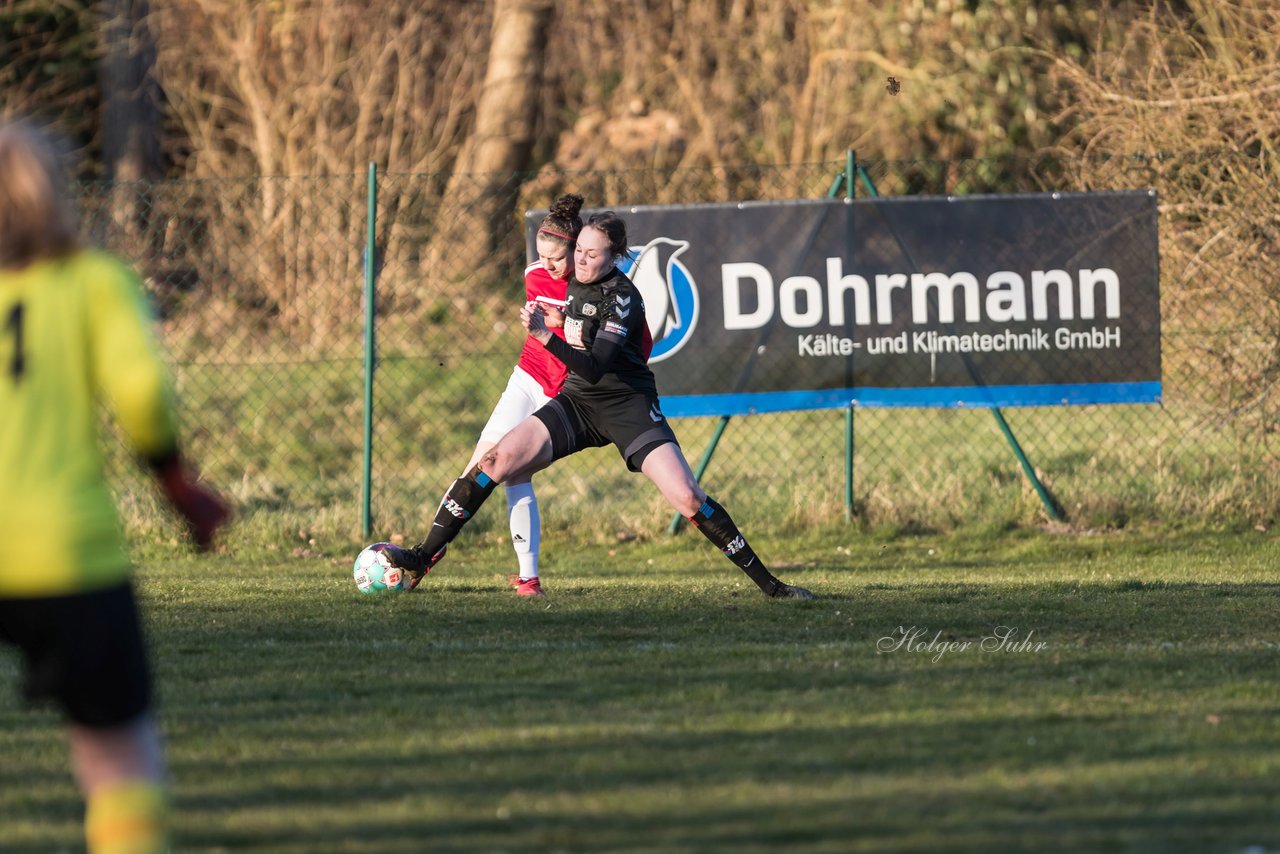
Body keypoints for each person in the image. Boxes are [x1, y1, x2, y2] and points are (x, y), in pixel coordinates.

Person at [0, 118, 230, 853]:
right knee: (119, 759)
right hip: (69, 554)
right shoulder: (92, 283)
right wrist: (179, 490)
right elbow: (141, 396)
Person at [385, 210, 812, 600]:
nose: (583, 261)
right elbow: (576, 326)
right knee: (495, 460)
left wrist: (544, 335)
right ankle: (423, 556)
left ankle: (773, 587)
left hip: (627, 406)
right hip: (578, 403)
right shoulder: (571, 279)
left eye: (594, 254)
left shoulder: (621, 298)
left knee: (687, 496)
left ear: (615, 256)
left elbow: (594, 365)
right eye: (581, 252)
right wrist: (556, 321)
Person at [459, 193, 584, 597]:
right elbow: (538, 326)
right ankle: (423, 556)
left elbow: (598, 345)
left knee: (517, 471)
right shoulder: (534, 273)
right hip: (526, 376)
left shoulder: (593, 284)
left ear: (578, 250)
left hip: (563, 392)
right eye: (542, 257)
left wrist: (564, 324)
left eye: (555, 260)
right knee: (478, 464)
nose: (547, 266)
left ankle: (529, 579)